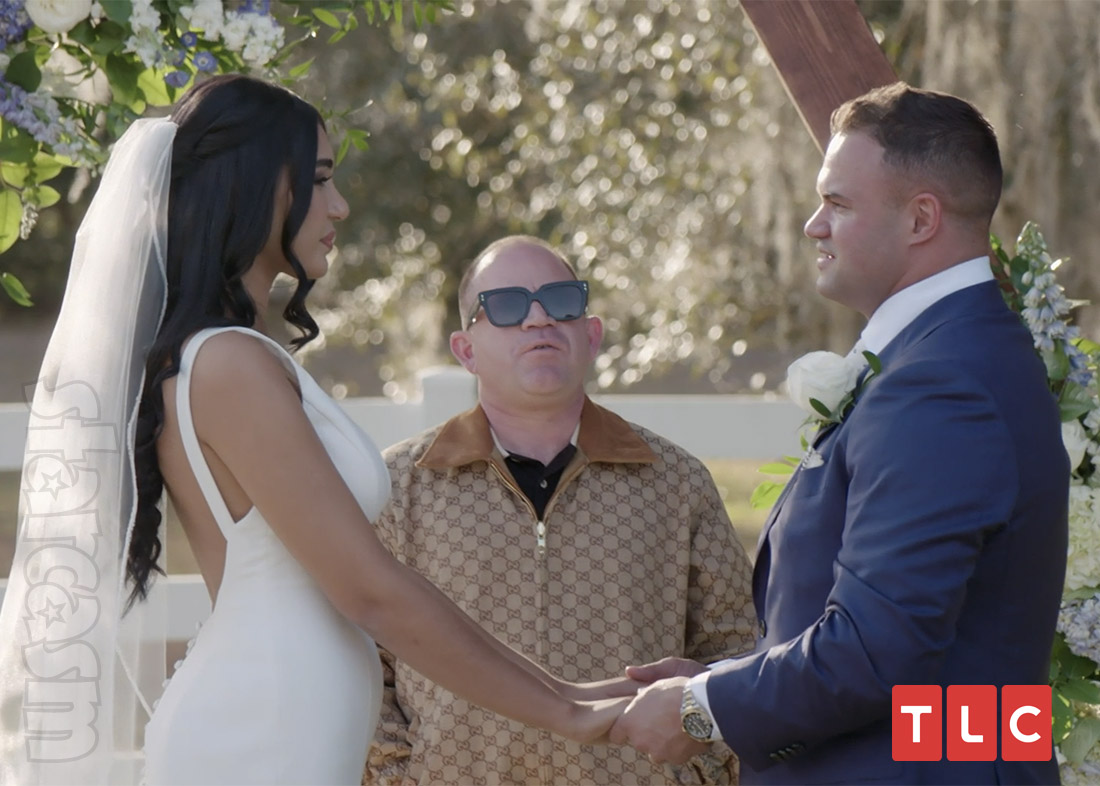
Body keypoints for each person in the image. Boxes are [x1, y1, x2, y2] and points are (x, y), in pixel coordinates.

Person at [0, 76, 633, 786]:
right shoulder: (228, 365)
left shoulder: (235, 355)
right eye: (321, 178)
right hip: (256, 738)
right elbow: (373, 591)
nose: (340, 204)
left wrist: (578, 694)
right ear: (257, 185)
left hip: (284, 729)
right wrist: (567, 715)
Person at [608, 82, 1068, 785]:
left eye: (838, 203)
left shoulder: (940, 383)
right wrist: (723, 680)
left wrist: (702, 710)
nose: (812, 226)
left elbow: (876, 652)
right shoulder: (961, 351)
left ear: (921, 219)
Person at [363, 236, 757, 786]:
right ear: (465, 349)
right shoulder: (396, 486)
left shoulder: (676, 481)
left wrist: (700, 770)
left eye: (560, 300)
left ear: (590, 335)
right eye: (507, 305)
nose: (539, 318)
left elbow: (736, 651)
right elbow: (358, 656)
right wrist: (399, 775)